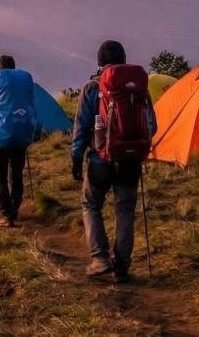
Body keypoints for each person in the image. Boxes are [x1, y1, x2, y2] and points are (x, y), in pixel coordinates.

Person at [71, 40, 156, 282]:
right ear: (124, 58)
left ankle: (100, 259)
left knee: (90, 205)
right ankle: (122, 267)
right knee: (125, 211)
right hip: (131, 162)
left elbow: (80, 128)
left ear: (99, 62)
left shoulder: (92, 87)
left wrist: (76, 158)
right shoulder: (139, 89)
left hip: (100, 160)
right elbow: (153, 125)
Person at [0, 55, 36, 227]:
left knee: (0, 175)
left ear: (0, 69)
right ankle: (14, 211)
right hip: (22, 132)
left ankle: (6, 214)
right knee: (16, 175)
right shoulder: (25, 81)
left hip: (2, 135)